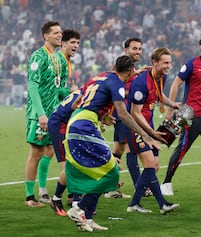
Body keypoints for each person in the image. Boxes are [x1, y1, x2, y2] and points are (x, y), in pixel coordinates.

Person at [65, 55, 161, 231]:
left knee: (104, 170)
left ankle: (87, 218)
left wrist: (102, 115)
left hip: (77, 120)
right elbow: (123, 114)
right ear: (130, 71)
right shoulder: (117, 83)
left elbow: (81, 98)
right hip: (84, 126)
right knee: (112, 172)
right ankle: (78, 208)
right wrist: (146, 135)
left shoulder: (101, 76)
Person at [160, 35, 201, 197]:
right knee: (182, 148)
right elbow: (176, 83)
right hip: (189, 113)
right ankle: (166, 183)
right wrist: (170, 108)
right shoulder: (192, 64)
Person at [125, 47, 180, 214]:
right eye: (165, 63)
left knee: (153, 165)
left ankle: (138, 203)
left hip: (148, 127)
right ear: (154, 62)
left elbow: (158, 94)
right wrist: (151, 133)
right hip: (137, 128)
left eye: (170, 63)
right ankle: (160, 204)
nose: (168, 66)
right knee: (150, 163)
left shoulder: (160, 77)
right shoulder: (141, 83)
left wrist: (172, 104)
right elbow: (135, 113)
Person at [24, 21, 70, 207]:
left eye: (61, 32)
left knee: (50, 150)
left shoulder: (60, 58)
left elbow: (59, 89)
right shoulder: (38, 57)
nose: (60, 35)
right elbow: (32, 88)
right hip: (38, 114)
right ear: (46, 36)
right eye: (56, 33)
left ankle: (43, 192)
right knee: (36, 152)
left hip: (55, 114)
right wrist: (41, 115)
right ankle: (29, 197)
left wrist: (74, 94)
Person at [105, 37, 151, 199]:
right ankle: (141, 187)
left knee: (118, 150)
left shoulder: (133, 69)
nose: (137, 51)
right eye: (134, 49)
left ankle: (109, 186)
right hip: (123, 113)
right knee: (132, 149)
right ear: (126, 50)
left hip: (125, 113)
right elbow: (114, 85)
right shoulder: (120, 67)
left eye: (139, 49)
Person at [47, 29, 81, 216]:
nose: (76, 46)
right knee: (68, 164)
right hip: (58, 118)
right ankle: (65, 200)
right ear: (63, 43)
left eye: (77, 43)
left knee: (70, 161)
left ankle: (73, 198)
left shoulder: (66, 62)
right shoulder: (58, 61)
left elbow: (63, 89)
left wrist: (72, 90)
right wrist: (73, 93)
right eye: (73, 42)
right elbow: (54, 90)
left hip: (64, 118)